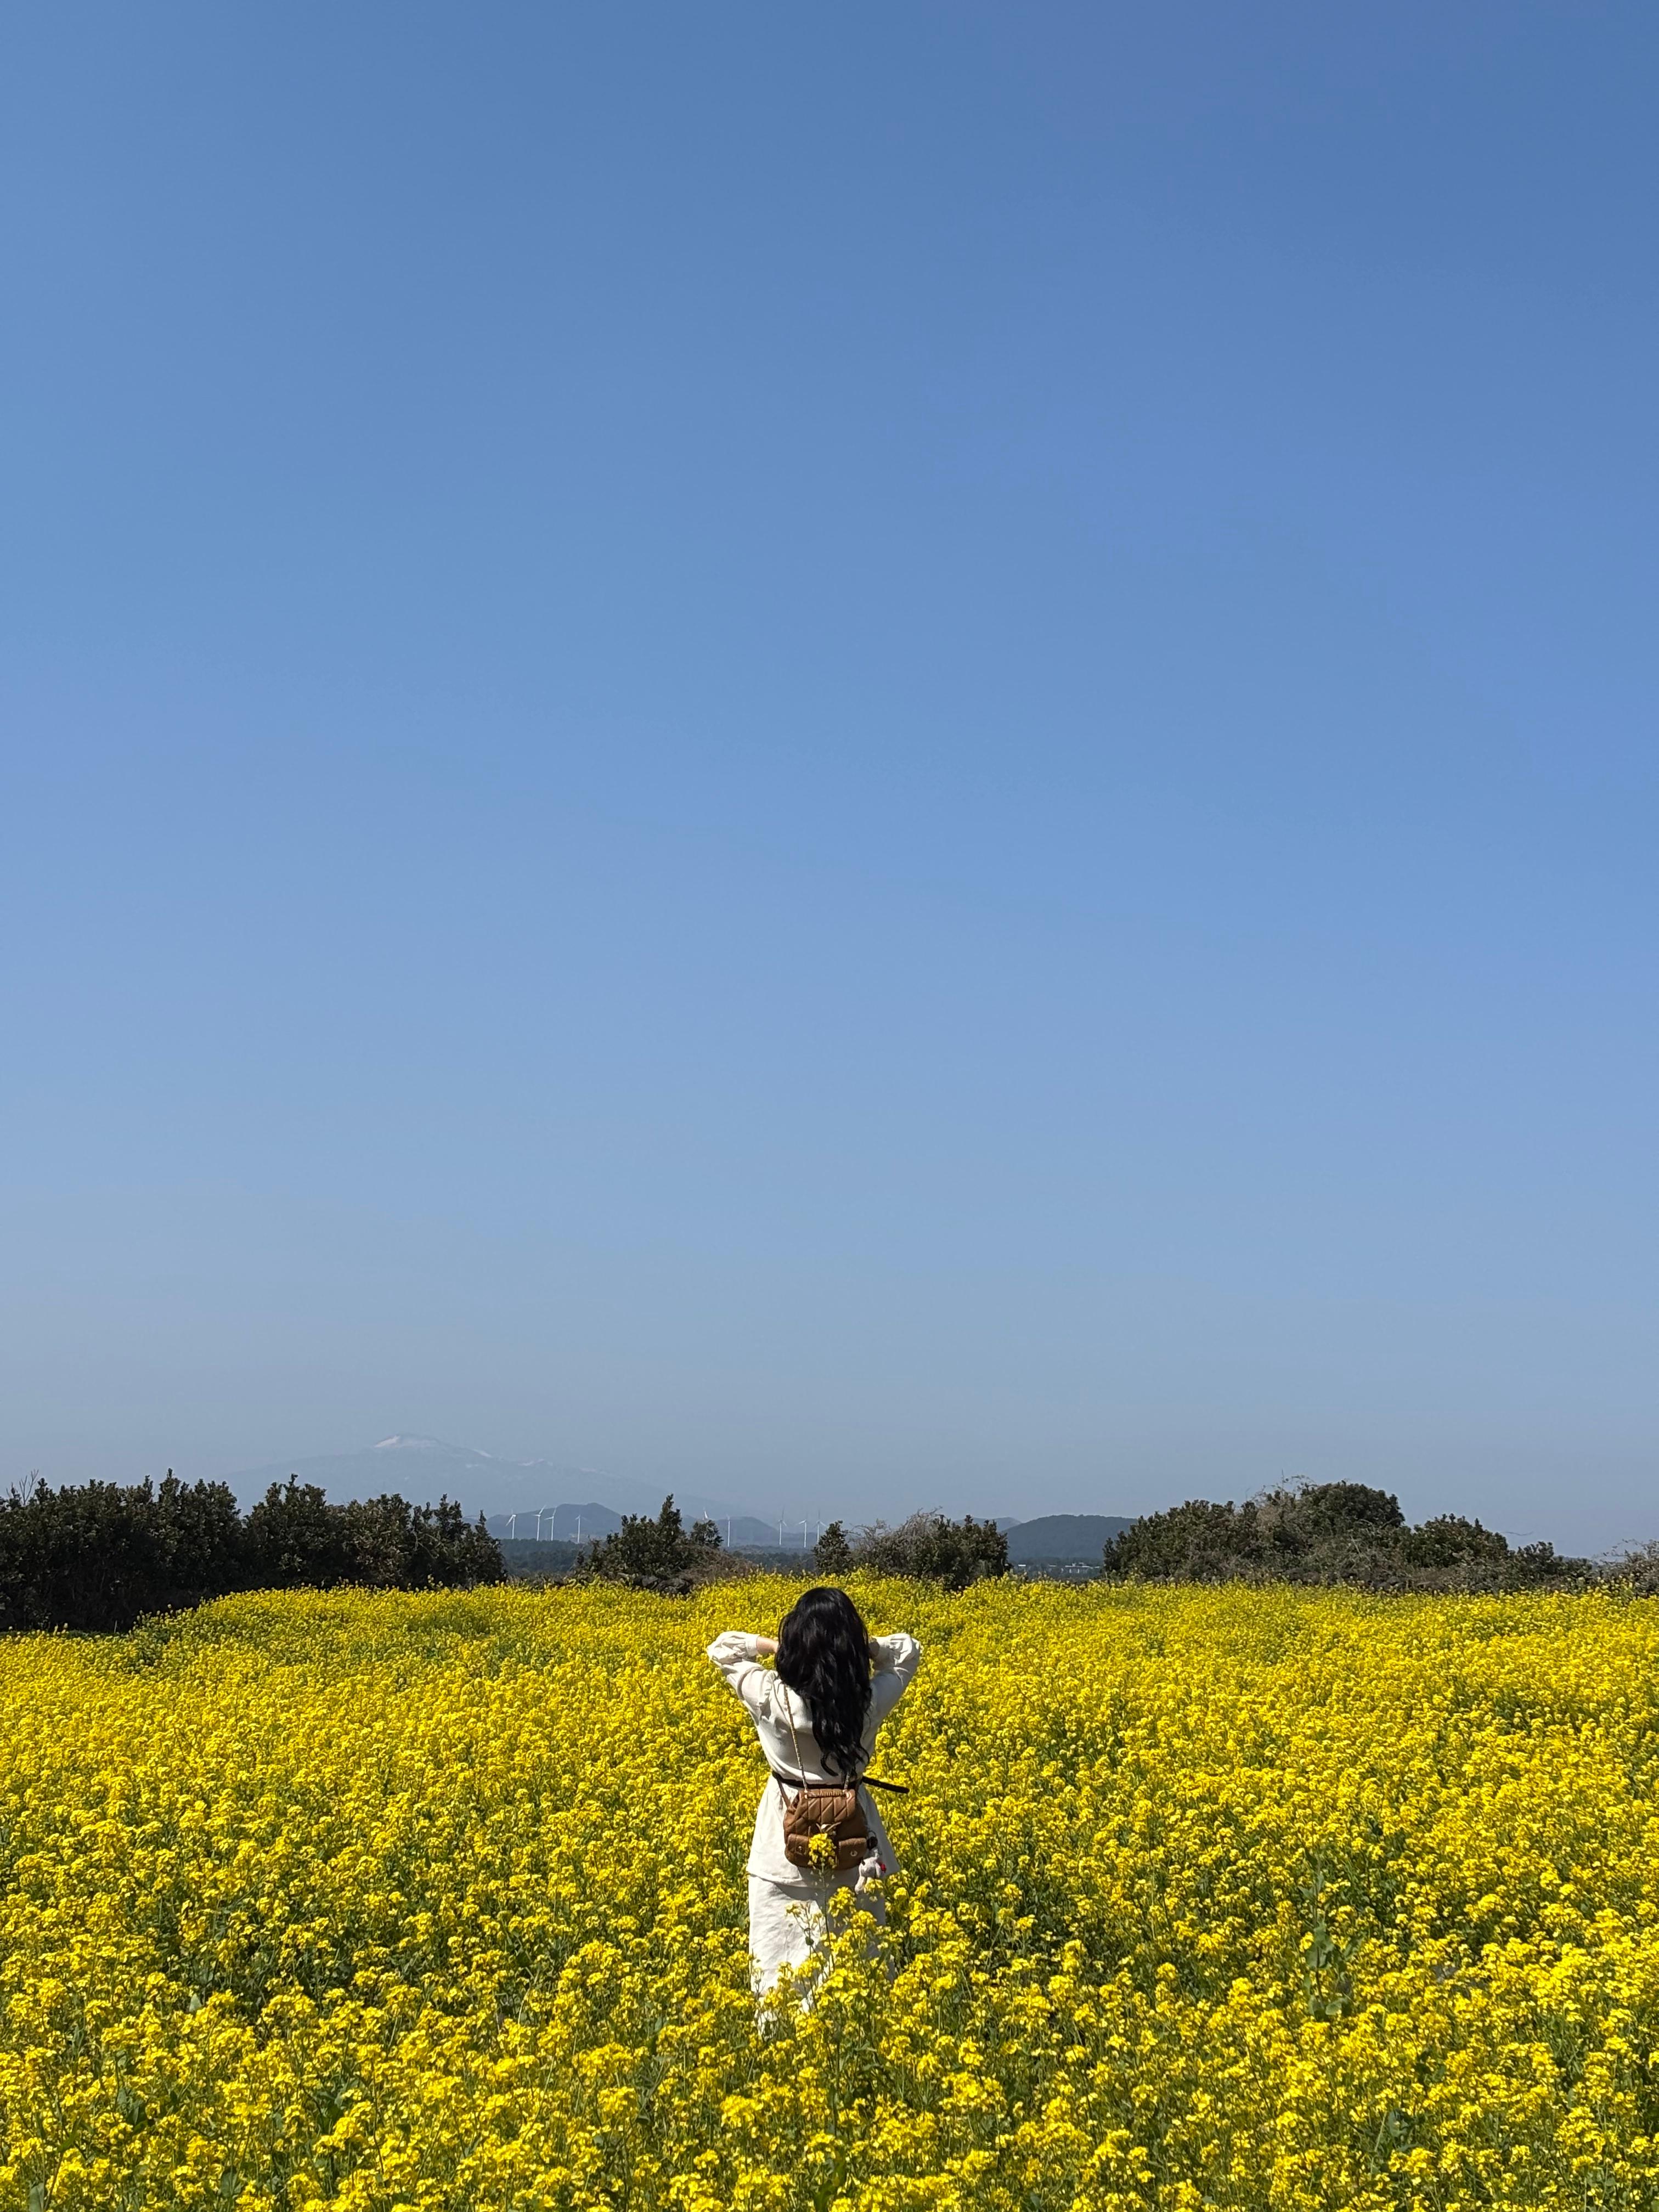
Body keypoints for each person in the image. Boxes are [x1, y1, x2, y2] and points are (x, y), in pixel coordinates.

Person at [707, 1587, 921, 1996]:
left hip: (783, 1849)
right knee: (860, 1964)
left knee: (780, 1965)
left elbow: (723, 1649)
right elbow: (908, 1651)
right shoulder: (868, 1703)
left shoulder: (772, 1698)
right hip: (856, 1846)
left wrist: (782, 1648)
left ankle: (780, 2028)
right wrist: (857, 1650)